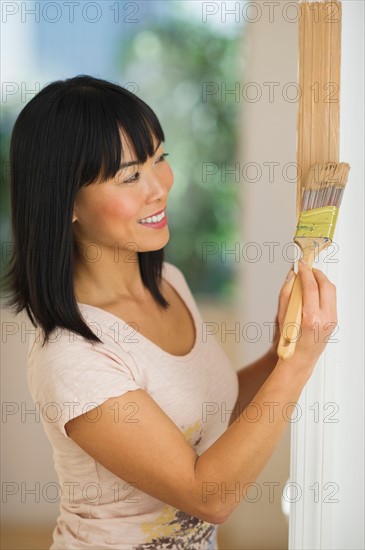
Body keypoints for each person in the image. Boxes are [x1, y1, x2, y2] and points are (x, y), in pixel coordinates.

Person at [2, 75, 338, 550]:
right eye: (129, 175)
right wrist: (301, 363)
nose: (159, 187)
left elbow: (209, 416)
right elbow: (209, 495)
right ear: (66, 202)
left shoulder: (167, 282)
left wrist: (280, 354)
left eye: (159, 159)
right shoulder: (72, 355)